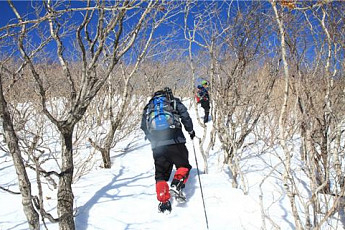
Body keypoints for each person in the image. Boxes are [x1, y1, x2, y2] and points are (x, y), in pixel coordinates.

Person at [141, 87, 195, 213]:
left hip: (157, 145)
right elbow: (185, 116)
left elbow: (144, 126)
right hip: (175, 139)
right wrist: (190, 131)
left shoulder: (149, 106)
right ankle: (177, 183)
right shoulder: (173, 102)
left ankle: (164, 202)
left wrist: (154, 140)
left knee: (160, 175)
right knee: (183, 165)